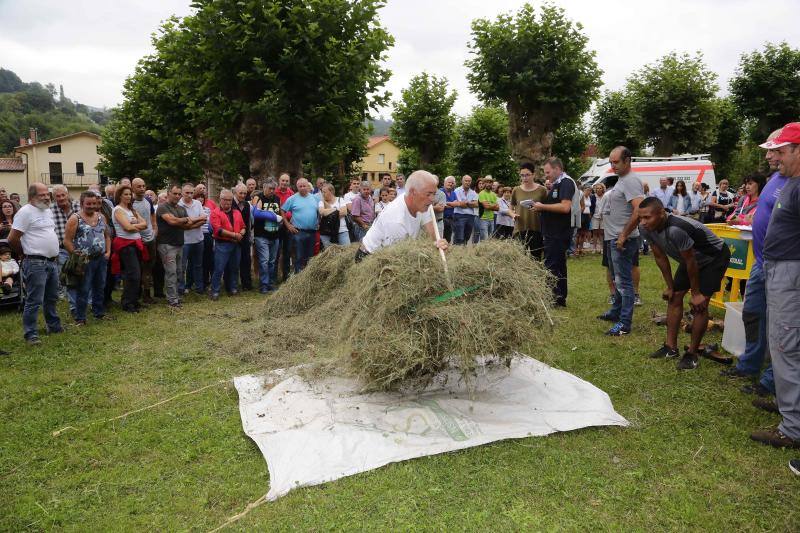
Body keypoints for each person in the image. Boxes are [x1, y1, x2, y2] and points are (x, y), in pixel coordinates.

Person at [720, 130, 787, 398]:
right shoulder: (775, 179)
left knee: (779, 323)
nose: (768, 155)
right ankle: (750, 363)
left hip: (783, 263)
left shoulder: (791, 181)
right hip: (762, 261)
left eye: (774, 150)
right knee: (753, 313)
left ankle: (771, 380)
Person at [749, 122, 800, 449]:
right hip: (779, 269)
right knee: (783, 342)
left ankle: (792, 428)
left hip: (790, 274)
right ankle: (788, 407)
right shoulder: (790, 182)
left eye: (781, 151)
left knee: (785, 345)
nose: (775, 157)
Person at [639, 197, 730, 369]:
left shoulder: (676, 229)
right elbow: (660, 257)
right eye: (640, 217)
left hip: (714, 258)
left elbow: (691, 262)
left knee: (700, 305)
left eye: (647, 217)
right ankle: (670, 347)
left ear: (661, 213)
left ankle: (692, 354)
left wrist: (696, 294)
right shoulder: (645, 228)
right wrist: (670, 286)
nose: (643, 222)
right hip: (690, 260)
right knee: (674, 298)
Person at [597, 147, 645, 335]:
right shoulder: (622, 180)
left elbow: (639, 210)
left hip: (622, 240)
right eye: (611, 162)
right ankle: (616, 312)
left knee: (624, 282)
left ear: (628, 160)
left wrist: (624, 235)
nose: (612, 165)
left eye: (616, 162)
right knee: (617, 279)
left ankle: (624, 324)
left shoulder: (631, 181)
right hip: (613, 238)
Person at [9, 183, 63, 344]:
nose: (47, 197)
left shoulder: (47, 210)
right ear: (32, 196)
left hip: (51, 261)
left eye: (47, 194)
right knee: (34, 299)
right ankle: (31, 334)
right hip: (35, 262)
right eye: (42, 195)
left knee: (52, 297)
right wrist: (24, 253)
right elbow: (12, 238)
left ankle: (53, 326)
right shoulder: (25, 213)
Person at [357, 170, 448, 260]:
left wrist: (437, 243)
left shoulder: (422, 203)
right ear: (413, 192)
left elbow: (432, 234)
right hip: (370, 257)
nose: (432, 199)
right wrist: (429, 248)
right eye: (428, 194)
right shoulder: (396, 220)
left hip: (392, 252)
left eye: (434, 194)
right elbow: (397, 258)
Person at [62, 191, 111, 324]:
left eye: (94, 203)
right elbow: (67, 240)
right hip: (85, 261)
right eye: (88, 203)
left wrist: (108, 252)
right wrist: (76, 255)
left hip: (101, 258)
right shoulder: (75, 218)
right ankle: (80, 318)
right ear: (82, 203)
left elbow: (107, 235)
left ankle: (99, 313)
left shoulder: (101, 217)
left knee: (100, 287)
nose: (91, 206)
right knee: (83, 288)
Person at [532, 157, 576, 307]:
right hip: (554, 232)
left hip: (558, 233)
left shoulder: (566, 182)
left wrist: (542, 207)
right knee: (558, 265)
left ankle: (552, 298)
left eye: (548, 172)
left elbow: (565, 207)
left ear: (558, 169)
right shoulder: (559, 183)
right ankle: (559, 298)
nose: (546, 176)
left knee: (551, 265)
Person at [111, 185, 148, 313]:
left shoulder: (132, 210)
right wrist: (137, 225)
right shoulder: (118, 210)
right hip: (126, 245)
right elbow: (127, 228)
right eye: (125, 194)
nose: (128, 196)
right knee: (133, 275)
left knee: (137, 274)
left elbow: (145, 224)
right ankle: (127, 303)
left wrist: (134, 225)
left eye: (129, 194)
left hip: (136, 243)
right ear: (120, 196)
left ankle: (134, 301)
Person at [209, 189, 246, 300]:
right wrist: (235, 235)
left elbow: (244, 226)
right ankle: (215, 291)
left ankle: (233, 288)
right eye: (225, 200)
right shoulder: (215, 213)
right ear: (220, 199)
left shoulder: (237, 212)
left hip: (236, 244)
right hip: (222, 244)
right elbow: (218, 230)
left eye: (230, 200)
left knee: (234, 268)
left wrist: (241, 234)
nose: (228, 202)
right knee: (219, 269)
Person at [251, 178, 283, 293]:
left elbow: (280, 213)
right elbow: (256, 213)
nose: (272, 191)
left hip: (275, 234)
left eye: (274, 189)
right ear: (264, 188)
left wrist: (280, 221)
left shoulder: (277, 198)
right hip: (261, 235)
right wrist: (273, 216)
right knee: (264, 260)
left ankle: (271, 283)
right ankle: (264, 285)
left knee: (272, 261)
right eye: (270, 188)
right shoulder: (258, 197)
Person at [281, 178, 318, 273]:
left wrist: (319, 222)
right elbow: (282, 210)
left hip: (312, 231)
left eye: (304, 186)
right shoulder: (292, 198)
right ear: (297, 187)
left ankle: (308, 278)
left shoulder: (314, 198)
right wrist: (288, 225)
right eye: (300, 186)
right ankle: (298, 277)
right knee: (299, 256)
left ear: (308, 186)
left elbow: (319, 211)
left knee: (310, 257)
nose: (302, 188)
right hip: (298, 232)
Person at [51, 185, 79, 304]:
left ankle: (82, 294)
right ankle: (69, 296)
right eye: (58, 196)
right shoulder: (50, 210)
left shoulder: (78, 205)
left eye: (63, 195)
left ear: (67, 194)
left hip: (79, 246)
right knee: (65, 272)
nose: (61, 198)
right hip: (62, 248)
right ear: (54, 198)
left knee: (81, 271)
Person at [512, 163, 547, 259]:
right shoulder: (516, 190)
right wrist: (512, 214)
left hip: (536, 228)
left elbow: (547, 208)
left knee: (536, 258)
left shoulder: (542, 190)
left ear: (533, 175)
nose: (524, 178)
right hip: (520, 228)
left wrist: (541, 208)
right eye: (522, 175)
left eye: (527, 175)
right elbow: (511, 208)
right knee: (519, 259)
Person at [131, 178, 158, 303]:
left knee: (149, 268)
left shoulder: (148, 200)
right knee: (137, 269)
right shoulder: (129, 203)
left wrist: (154, 230)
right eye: (138, 186)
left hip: (150, 240)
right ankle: (136, 294)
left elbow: (152, 216)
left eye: (143, 186)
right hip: (136, 241)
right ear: (133, 188)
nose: (142, 188)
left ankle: (147, 296)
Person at [178, 183, 207, 295]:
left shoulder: (198, 203)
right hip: (184, 241)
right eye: (187, 193)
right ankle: (181, 289)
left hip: (198, 240)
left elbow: (204, 219)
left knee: (198, 265)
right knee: (182, 266)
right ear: (182, 193)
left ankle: (199, 288)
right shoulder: (179, 205)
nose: (189, 195)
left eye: (191, 193)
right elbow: (183, 225)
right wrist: (197, 221)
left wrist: (190, 222)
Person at [194, 183, 217, 289]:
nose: (203, 190)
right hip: (198, 236)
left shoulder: (211, 204)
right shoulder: (194, 205)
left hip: (209, 235)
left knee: (210, 258)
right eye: (200, 188)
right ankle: (202, 281)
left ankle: (213, 281)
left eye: (204, 188)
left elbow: (214, 217)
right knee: (200, 260)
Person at [232, 184, 254, 291]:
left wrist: (248, 235)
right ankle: (233, 285)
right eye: (241, 193)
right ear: (235, 193)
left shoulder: (247, 204)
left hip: (244, 236)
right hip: (232, 237)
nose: (243, 195)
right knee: (234, 262)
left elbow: (248, 222)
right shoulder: (230, 203)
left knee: (246, 261)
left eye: (245, 193)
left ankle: (247, 284)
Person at [274, 174, 295, 281]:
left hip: (288, 226)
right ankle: (273, 276)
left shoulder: (292, 194)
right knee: (275, 252)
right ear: (279, 181)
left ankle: (285, 276)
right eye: (283, 180)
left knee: (287, 252)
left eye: (287, 181)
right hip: (276, 225)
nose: (285, 182)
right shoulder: (274, 192)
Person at [317, 183, 350, 249]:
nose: (323, 194)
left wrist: (329, 212)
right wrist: (336, 209)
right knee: (330, 255)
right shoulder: (321, 202)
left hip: (342, 230)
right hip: (327, 232)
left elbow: (344, 212)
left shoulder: (340, 200)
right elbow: (322, 212)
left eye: (324, 192)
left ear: (331, 192)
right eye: (322, 192)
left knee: (346, 251)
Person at [452, 175, 478, 245]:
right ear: (462, 181)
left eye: (469, 181)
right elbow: (460, 204)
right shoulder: (456, 191)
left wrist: (467, 203)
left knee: (467, 235)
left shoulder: (473, 192)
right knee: (459, 236)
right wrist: (470, 203)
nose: (468, 182)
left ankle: (463, 250)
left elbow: (476, 204)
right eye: (466, 181)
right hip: (459, 215)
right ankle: (456, 250)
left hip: (470, 216)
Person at [576, 185, 594, 256]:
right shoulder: (581, 197)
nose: (589, 191)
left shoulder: (589, 197)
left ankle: (581, 249)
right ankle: (576, 249)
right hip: (581, 215)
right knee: (578, 234)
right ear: (583, 190)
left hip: (587, 216)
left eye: (590, 190)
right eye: (587, 190)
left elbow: (589, 207)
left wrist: (589, 217)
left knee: (584, 234)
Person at [441, 176, 457, 243]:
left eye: (452, 183)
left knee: (448, 239)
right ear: (444, 183)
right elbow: (441, 204)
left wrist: (448, 204)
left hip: (450, 219)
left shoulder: (453, 193)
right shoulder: (440, 191)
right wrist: (452, 204)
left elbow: (456, 203)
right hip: (442, 218)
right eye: (449, 182)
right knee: (441, 238)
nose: (450, 184)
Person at [590, 183, 606, 253]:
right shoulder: (593, 197)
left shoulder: (605, 196)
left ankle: (602, 248)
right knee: (595, 232)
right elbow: (591, 207)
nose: (599, 189)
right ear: (595, 189)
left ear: (603, 189)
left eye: (600, 188)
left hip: (603, 216)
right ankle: (594, 248)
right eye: (597, 188)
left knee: (602, 233)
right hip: (595, 216)